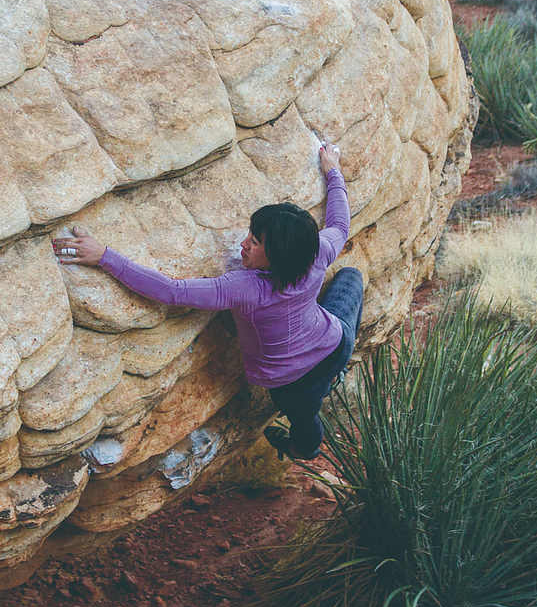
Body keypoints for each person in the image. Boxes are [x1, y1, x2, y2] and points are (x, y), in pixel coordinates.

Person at [52, 142, 363, 461]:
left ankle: (301, 451)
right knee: (351, 278)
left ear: (279, 257)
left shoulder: (245, 288)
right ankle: (327, 391)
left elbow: (172, 292)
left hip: (293, 384)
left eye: (254, 243)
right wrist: (332, 170)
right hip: (335, 345)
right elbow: (339, 226)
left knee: (305, 420)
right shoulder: (315, 253)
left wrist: (104, 256)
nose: (243, 245)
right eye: (250, 235)